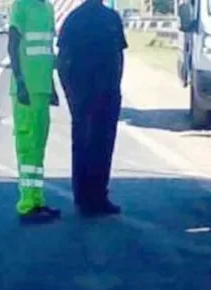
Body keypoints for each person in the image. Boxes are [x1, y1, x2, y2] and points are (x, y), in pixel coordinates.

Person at [57, 0, 126, 215]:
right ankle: (89, 196)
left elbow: (119, 55)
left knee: (91, 144)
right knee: (96, 144)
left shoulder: (104, 18)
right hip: (89, 93)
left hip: (100, 92)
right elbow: (64, 58)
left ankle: (93, 196)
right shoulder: (82, 19)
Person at [8, 0, 61, 224]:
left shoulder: (48, 8)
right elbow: (13, 45)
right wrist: (20, 81)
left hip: (42, 88)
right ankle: (27, 204)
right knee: (28, 147)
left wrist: (52, 86)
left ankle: (38, 200)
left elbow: (47, 50)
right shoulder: (21, 6)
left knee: (38, 148)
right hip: (27, 90)